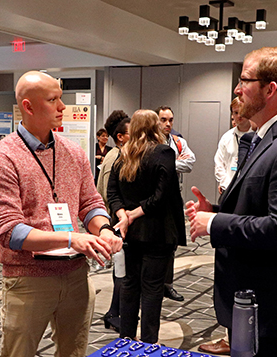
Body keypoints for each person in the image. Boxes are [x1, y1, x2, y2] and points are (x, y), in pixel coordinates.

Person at [185, 47, 277, 357]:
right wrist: (217, 211)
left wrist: (217, 223)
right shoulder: (264, 137)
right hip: (251, 300)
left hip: (270, 307)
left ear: (270, 89)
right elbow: (258, 207)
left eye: (244, 80)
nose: (237, 89)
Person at [0, 71, 122, 357]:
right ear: (28, 107)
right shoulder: (2, 159)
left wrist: (105, 229)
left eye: (61, 98)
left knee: (74, 351)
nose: (62, 107)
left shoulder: (73, 151)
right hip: (28, 280)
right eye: (53, 99)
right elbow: (10, 233)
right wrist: (71, 239)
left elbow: (90, 202)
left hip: (75, 275)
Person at [107, 109, 186, 343]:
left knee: (130, 285)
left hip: (128, 232)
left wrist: (124, 216)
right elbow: (161, 197)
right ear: (155, 127)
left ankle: (126, 340)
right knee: (152, 290)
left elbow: (113, 193)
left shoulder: (123, 154)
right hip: (156, 232)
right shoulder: (163, 153)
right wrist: (132, 215)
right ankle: (149, 343)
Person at [156, 105, 194, 302]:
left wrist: (167, 163)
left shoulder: (178, 141)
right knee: (155, 245)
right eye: (163, 119)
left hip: (173, 200)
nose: (168, 123)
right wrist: (171, 162)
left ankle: (167, 285)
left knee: (172, 243)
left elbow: (189, 163)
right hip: (154, 201)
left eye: (170, 119)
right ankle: (153, 285)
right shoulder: (149, 142)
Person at [96, 110, 130, 333]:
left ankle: (114, 312)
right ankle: (113, 313)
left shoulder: (119, 154)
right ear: (120, 136)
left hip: (116, 221)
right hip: (113, 222)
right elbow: (108, 194)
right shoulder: (114, 158)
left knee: (122, 271)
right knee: (120, 271)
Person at [214, 97, 254, 194]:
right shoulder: (226, 137)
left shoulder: (258, 136)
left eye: (242, 111)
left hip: (250, 191)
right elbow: (219, 165)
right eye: (235, 113)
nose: (239, 116)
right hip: (228, 189)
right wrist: (228, 186)